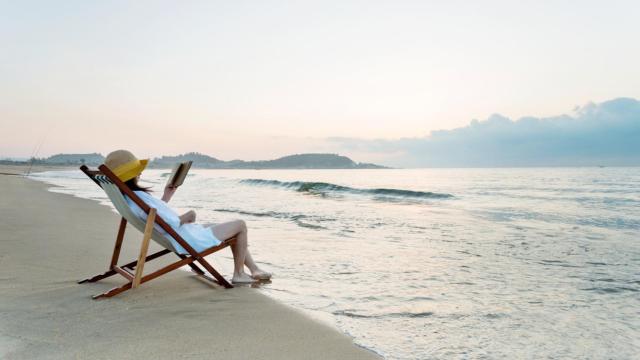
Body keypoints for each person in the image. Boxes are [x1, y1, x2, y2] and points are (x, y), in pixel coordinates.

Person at [104, 149, 271, 284]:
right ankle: (239, 273)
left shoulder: (131, 198)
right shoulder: (137, 197)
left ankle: (254, 269)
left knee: (230, 228)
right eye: (136, 171)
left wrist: (166, 195)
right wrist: (189, 216)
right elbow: (169, 222)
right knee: (240, 225)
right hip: (185, 237)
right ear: (130, 175)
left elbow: (153, 217)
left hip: (182, 233)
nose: (139, 174)